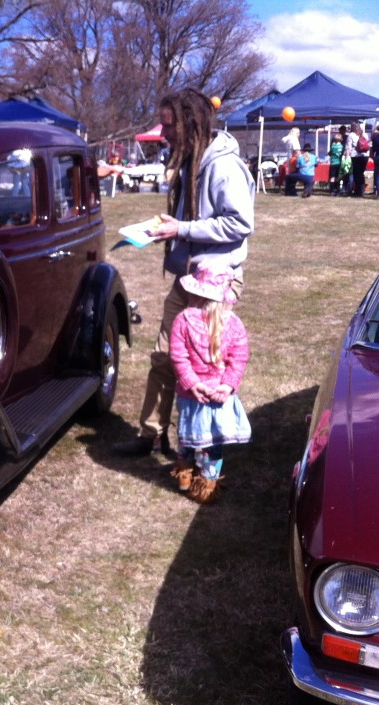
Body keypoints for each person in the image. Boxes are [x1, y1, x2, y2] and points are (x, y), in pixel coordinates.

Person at [116, 87, 254, 457]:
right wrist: (168, 227)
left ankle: (205, 446)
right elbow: (193, 218)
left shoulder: (223, 166)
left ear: (190, 123)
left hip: (216, 282)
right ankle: (151, 435)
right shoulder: (193, 160)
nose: (163, 134)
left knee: (207, 363)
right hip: (189, 279)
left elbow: (241, 223)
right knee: (165, 356)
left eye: (168, 126)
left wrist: (183, 229)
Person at [168, 264, 251, 503]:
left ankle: (184, 476)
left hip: (190, 394)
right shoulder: (234, 324)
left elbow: (178, 357)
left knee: (187, 434)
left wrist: (192, 384)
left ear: (196, 292)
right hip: (218, 396)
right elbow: (239, 358)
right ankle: (207, 487)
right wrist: (227, 386)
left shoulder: (182, 320)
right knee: (213, 442)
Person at [350, 121, 370, 197]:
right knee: (361, 173)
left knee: (356, 174)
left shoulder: (351, 135)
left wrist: (346, 156)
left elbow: (348, 147)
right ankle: (362, 190)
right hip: (365, 156)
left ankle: (357, 191)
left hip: (355, 156)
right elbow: (369, 145)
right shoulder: (365, 135)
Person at [328, 129, 344, 195]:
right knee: (337, 177)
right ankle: (337, 189)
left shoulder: (333, 146)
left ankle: (331, 190)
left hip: (332, 163)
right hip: (339, 163)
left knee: (332, 177)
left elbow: (329, 153)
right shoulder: (342, 146)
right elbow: (342, 154)